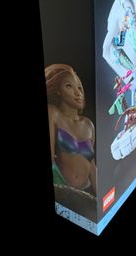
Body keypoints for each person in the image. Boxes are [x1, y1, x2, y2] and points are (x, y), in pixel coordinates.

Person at [45, 64, 97, 219]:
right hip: (66, 196)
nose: (77, 93)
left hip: (88, 194)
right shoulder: (53, 113)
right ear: (58, 90)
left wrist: (101, 200)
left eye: (80, 88)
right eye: (69, 86)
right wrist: (63, 194)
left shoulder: (88, 124)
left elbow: (91, 165)